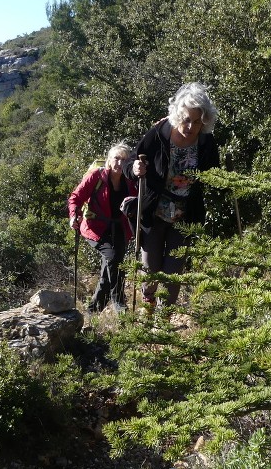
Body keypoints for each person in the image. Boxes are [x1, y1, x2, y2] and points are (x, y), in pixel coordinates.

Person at [127, 82, 220, 307]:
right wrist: (134, 169)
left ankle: (164, 319)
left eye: (197, 121)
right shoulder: (159, 134)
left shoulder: (207, 141)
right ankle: (148, 303)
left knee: (173, 271)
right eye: (187, 119)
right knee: (150, 267)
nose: (190, 126)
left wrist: (227, 183)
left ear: (204, 120)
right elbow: (132, 160)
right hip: (155, 211)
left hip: (185, 215)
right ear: (178, 115)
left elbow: (215, 174)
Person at [67, 142, 138, 313]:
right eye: (116, 158)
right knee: (113, 258)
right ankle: (119, 303)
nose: (120, 163)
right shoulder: (97, 177)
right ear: (108, 160)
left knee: (112, 266)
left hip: (120, 228)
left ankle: (93, 309)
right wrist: (73, 216)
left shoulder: (130, 180)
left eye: (124, 160)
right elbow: (76, 197)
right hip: (95, 228)